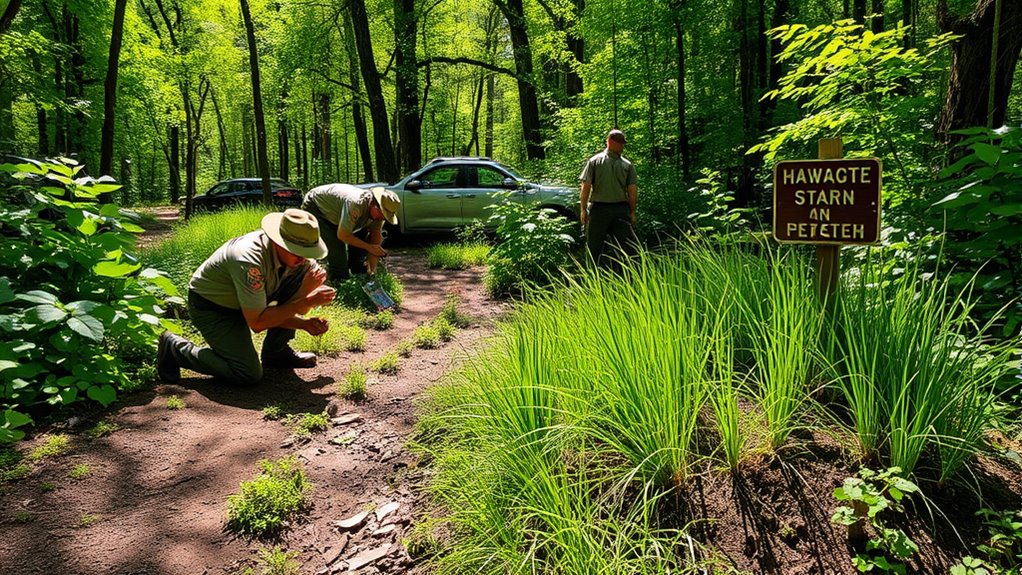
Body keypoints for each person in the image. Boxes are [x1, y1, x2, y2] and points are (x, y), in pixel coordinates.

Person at [156, 209, 337, 386]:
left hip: (251, 304)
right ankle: (175, 348)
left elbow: (292, 307)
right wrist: (306, 300)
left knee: (299, 281)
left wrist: (304, 317)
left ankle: (276, 352)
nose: (303, 258)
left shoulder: (300, 261)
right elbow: (258, 323)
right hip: (214, 307)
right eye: (296, 250)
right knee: (247, 372)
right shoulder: (249, 260)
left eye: (307, 251)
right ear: (278, 242)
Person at [301, 183, 401, 281]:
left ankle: (358, 277)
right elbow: (343, 235)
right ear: (374, 204)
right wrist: (368, 247)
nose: (382, 218)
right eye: (382, 214)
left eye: (386, 216)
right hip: (317, 207)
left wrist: (373, 272)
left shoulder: (378, 216)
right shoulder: (355, 205)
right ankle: (339, 287)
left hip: (341, 215)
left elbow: (374, 244)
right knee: (338, 259)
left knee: (358, 262)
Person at [579, 128, 638, 268]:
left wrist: (632, 211)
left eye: (623, 143)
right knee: (617, 247)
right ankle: (595, 279)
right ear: (610, 141)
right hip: (607, 209)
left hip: (610, 210)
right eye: (620, 143)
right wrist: (583, 209)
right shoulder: (624, 165)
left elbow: (632, 190)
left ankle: (625, 277)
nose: (622, 146)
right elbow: (585, 186)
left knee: (623, 248)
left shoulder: (598, 161)